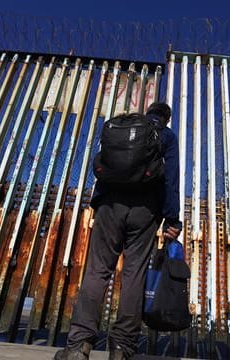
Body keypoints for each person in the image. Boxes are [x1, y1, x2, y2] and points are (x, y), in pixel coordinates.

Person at [54, 102, 182, 360]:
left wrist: (99, 201)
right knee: (134, 274)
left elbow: (103, 166)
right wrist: (172, 218)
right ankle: (121, 348)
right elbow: (170, 176)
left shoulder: (123, 128)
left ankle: (78, 346)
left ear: (147, 113)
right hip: (146, 210)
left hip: (110, 205)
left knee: (97, 270)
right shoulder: (166, 136)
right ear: (166, 118)